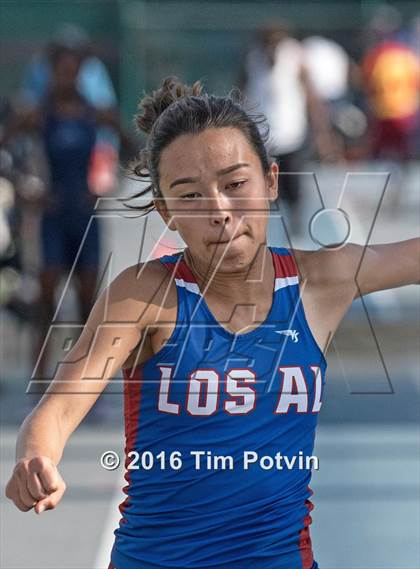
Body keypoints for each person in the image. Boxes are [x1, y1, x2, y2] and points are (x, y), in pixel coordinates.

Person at [4, 77, 419, 569]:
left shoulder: (320, 281)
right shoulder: (144, 294)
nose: (219, 210)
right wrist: (36, 457)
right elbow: (59, 407)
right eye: (191, 196)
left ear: (270, 182)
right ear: (166, 213)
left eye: (235, 184)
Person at [1, 45, 134, 380]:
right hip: (53, 214)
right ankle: (41, 377)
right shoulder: (38, 114)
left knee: (88, 301)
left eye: (72, 70)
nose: (66, 77)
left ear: (80, 73)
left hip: (85, 213)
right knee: (47, 300)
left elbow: (135, 149)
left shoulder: (96, 112)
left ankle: (85, 378)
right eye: (60, 70)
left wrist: (110, 186)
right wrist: (25, 190)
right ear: (51, 72)